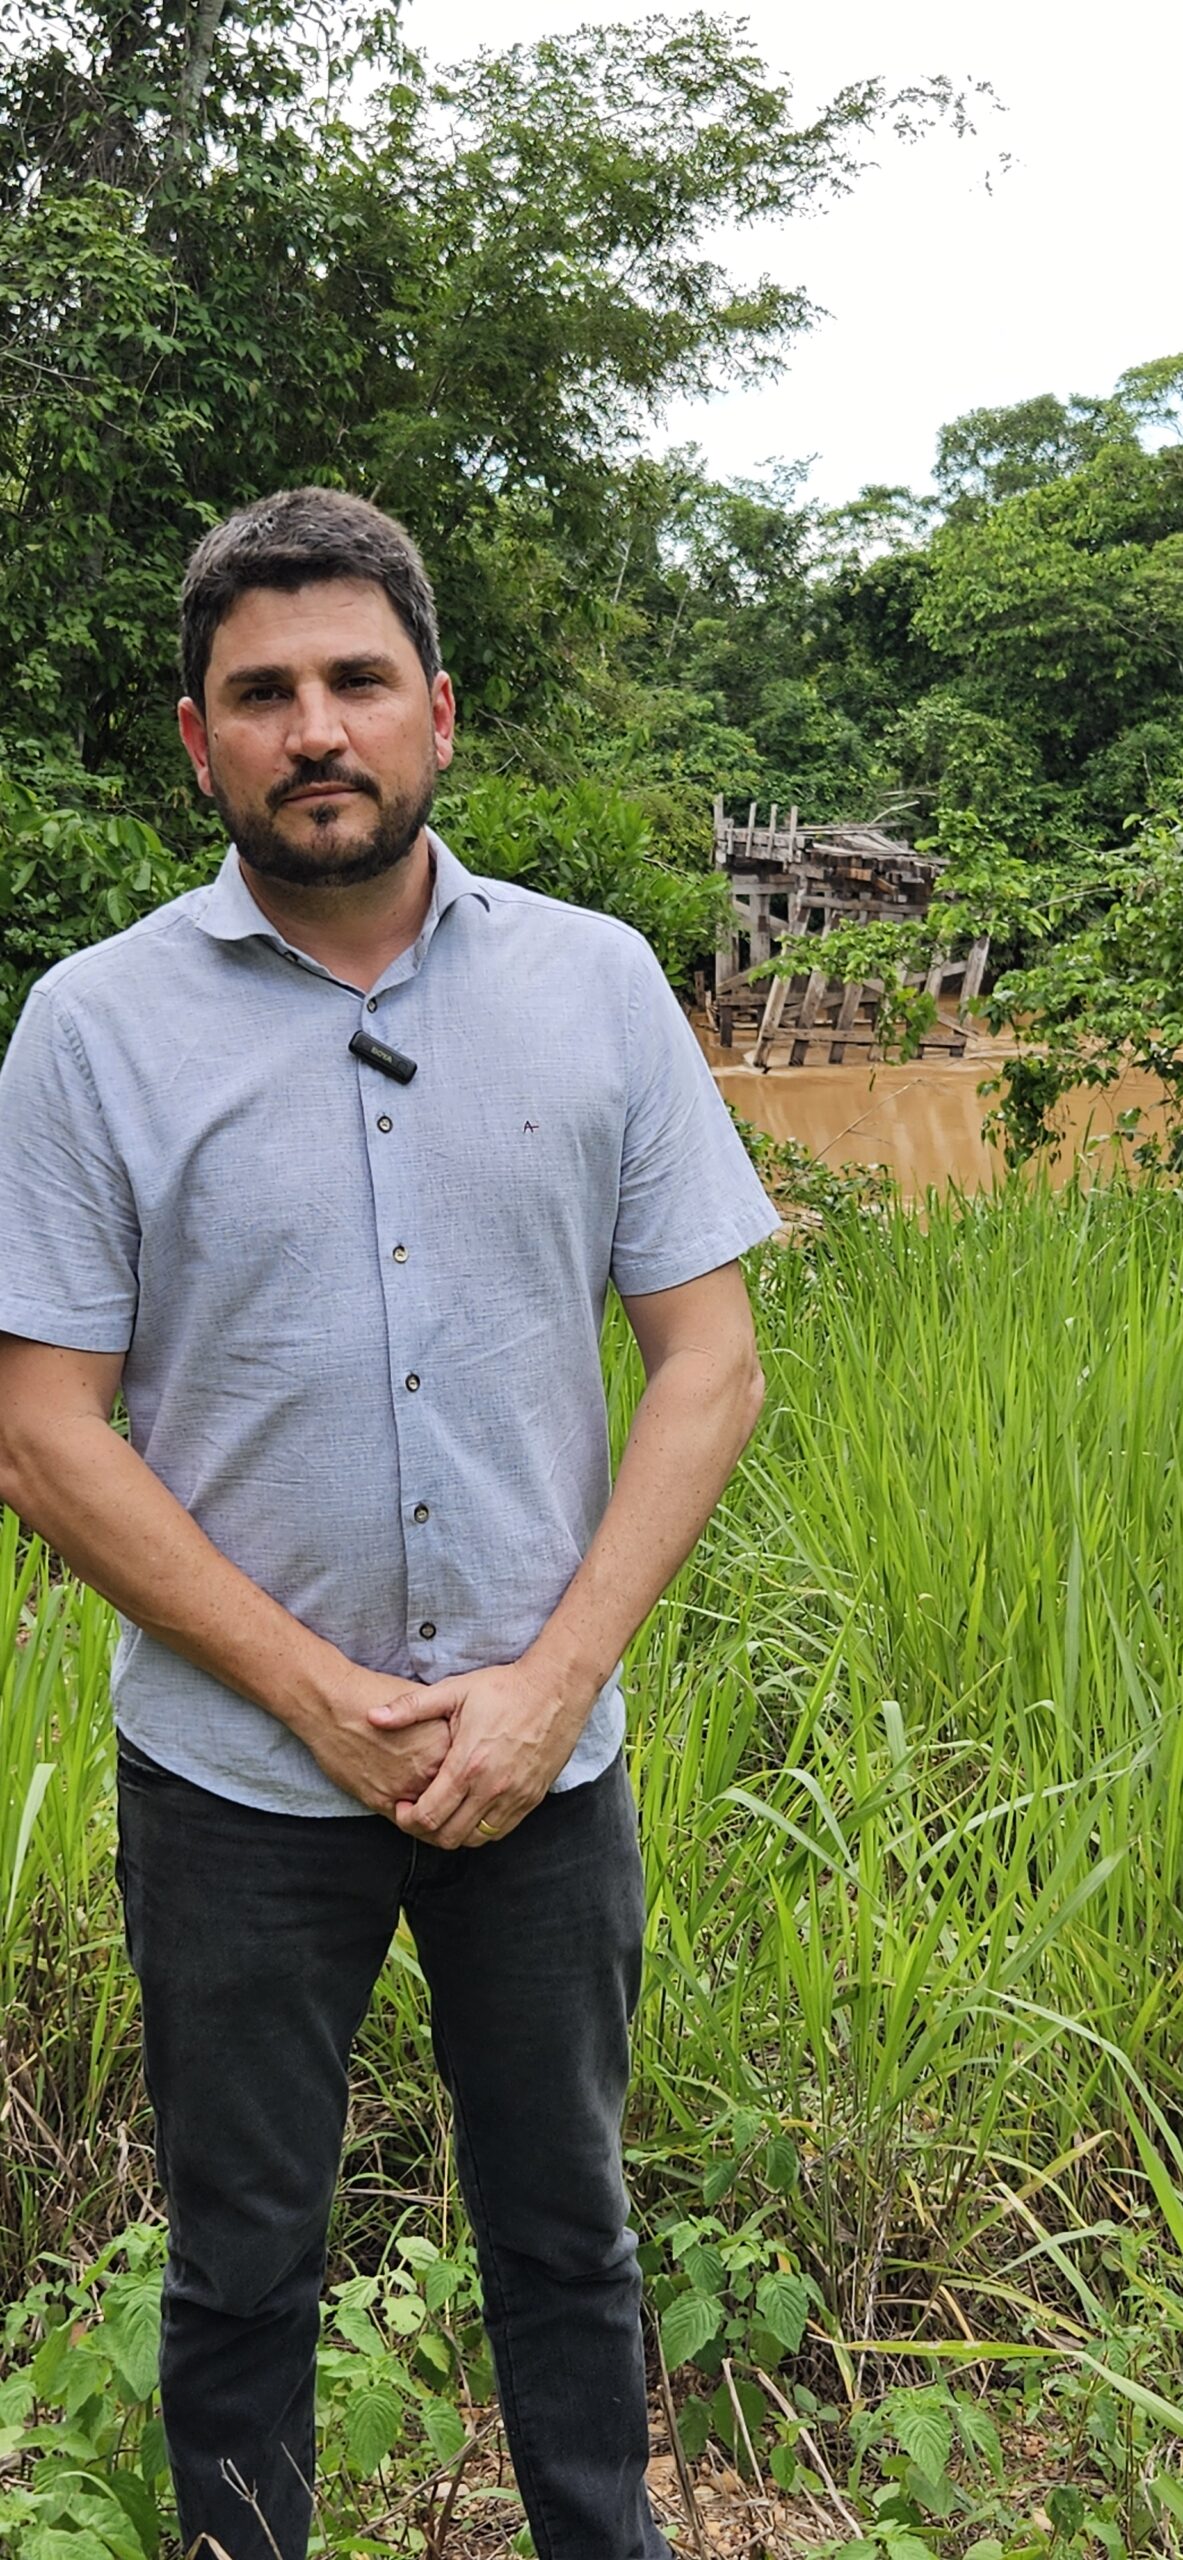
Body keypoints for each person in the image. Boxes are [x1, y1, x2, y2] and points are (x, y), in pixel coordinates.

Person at [0, 487, 778, 2560]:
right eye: (262, 692)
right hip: (240, 1780)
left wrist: (550, 1685)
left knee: (568, 2227)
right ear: (197, 739)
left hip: (551, 1762)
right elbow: (45, 1429)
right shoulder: (91, 1028)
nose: (312, 725)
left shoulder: (601, 986)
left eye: (355, 680)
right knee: (243, 2253)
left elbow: (710, 1361)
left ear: (438, 707)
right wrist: (322, 1696)